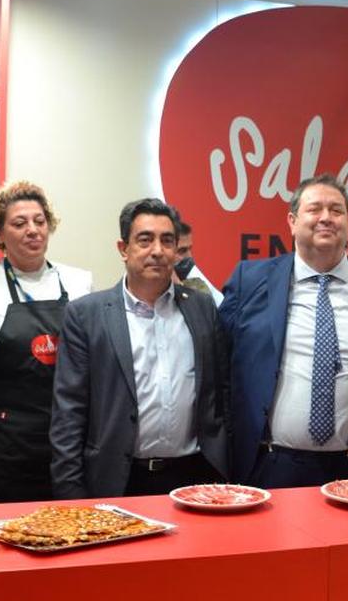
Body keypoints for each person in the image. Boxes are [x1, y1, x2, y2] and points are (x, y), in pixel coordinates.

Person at [220, 174, 348, 487]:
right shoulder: (250, 281)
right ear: (292, 221)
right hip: (272, 467)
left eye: (336, 210)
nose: (326, 218)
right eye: (314, 209)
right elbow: (219, 364)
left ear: (347, 221)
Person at [50, 198, 226, 498]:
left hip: (194, 477)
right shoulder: (87, 315)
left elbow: (221, 391)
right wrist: (70, 494)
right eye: (145, 240)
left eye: (167, 241)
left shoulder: (202, 307)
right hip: (117, 480)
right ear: (123, 249)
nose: (157, 250)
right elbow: (69, 412)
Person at [0, 180, 92, 503]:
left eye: (40, 222)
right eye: (19, 223)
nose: (33, 230)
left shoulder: (79, 282)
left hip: (63, 438)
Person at [172, 220, 223, 304]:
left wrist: (178, 286)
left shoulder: (191, 275)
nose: (189, 256)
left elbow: (217, 307)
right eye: (182, 250)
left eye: (189, 249)